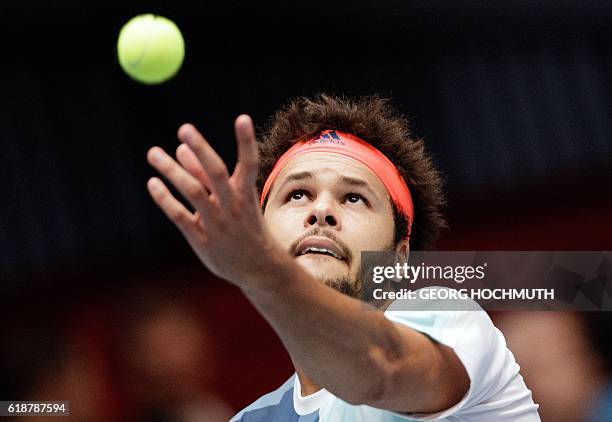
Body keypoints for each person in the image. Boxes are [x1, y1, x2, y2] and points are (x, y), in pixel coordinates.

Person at [145, 94, 540, 421]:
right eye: (297, 194)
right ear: (261, 230)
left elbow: (381, 370)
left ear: (398, 258)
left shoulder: (452, 321)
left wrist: (264, 272)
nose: (320, 211)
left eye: (354, 198)